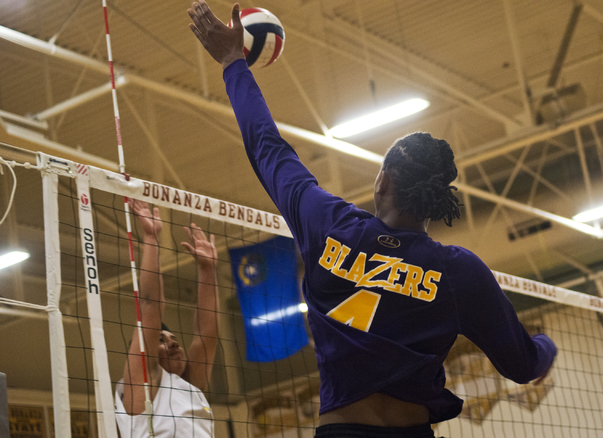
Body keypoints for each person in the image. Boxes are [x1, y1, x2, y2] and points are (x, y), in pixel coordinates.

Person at [187, 2, 557, 437]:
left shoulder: (327, 223)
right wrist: (545, 347)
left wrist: (233, 63)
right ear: (437, 201)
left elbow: (267, 146)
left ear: (382, 181)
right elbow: (522, 366)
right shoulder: (458, 271)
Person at [115, 199, 220, 438]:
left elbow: (207, 334)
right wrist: (152, 238)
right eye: (162, 340)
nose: (173, 343)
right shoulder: (144, 385)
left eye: (174, 338)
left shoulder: (189, 387)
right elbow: (150, 306)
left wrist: (208, 271)